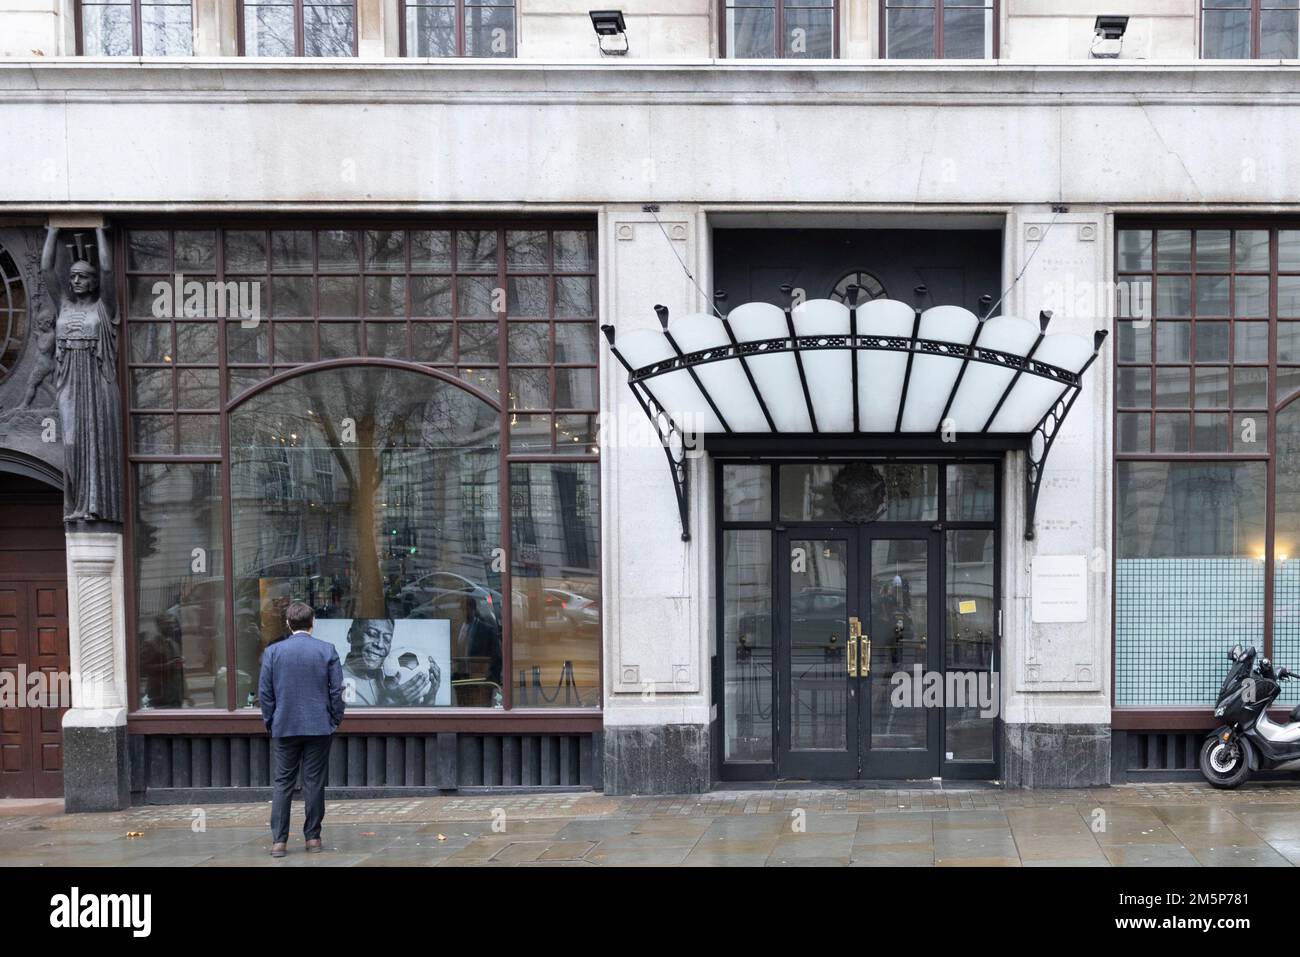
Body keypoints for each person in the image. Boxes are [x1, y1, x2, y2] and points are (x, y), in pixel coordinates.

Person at [258, 600, 345, 859]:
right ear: (313, 623)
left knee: (283, 782)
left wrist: (271, 721)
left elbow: (265, 692)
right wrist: (334, 719)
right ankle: (313, 837)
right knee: (314, 782)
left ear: (288, 623)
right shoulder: (326, 650)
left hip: (285, 726)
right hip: (319, 726)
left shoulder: (274, 652)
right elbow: (337, 691)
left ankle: (279, 842)